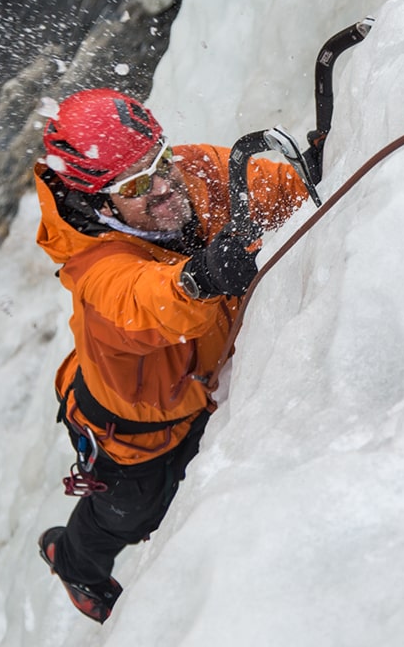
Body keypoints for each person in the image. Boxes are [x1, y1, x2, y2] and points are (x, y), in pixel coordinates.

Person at [31, 88, 311, 623]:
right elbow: (147, 299)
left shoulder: (191, 174)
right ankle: (73, 560)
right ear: (98, 202)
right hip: (129, 436)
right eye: (137, 185)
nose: (163, 186)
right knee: (132, 516)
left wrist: (318, 172)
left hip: (193, 393)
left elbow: (274, 191)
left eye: (160, 161)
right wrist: (199, 277)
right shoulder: (98, 272)